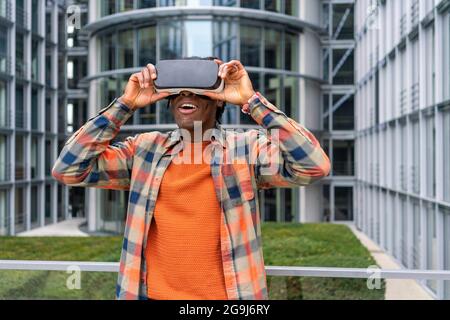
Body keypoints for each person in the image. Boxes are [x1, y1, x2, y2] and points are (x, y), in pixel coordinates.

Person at [52, 57, 331, 300]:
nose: (188, 95)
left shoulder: (246, 149)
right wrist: (125, 104)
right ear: (169, 100)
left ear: (218, 101)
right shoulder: (144, 150)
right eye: (179, 90)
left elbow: (313, 166)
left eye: (199, 90)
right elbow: (68, 169)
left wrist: (252, 101)